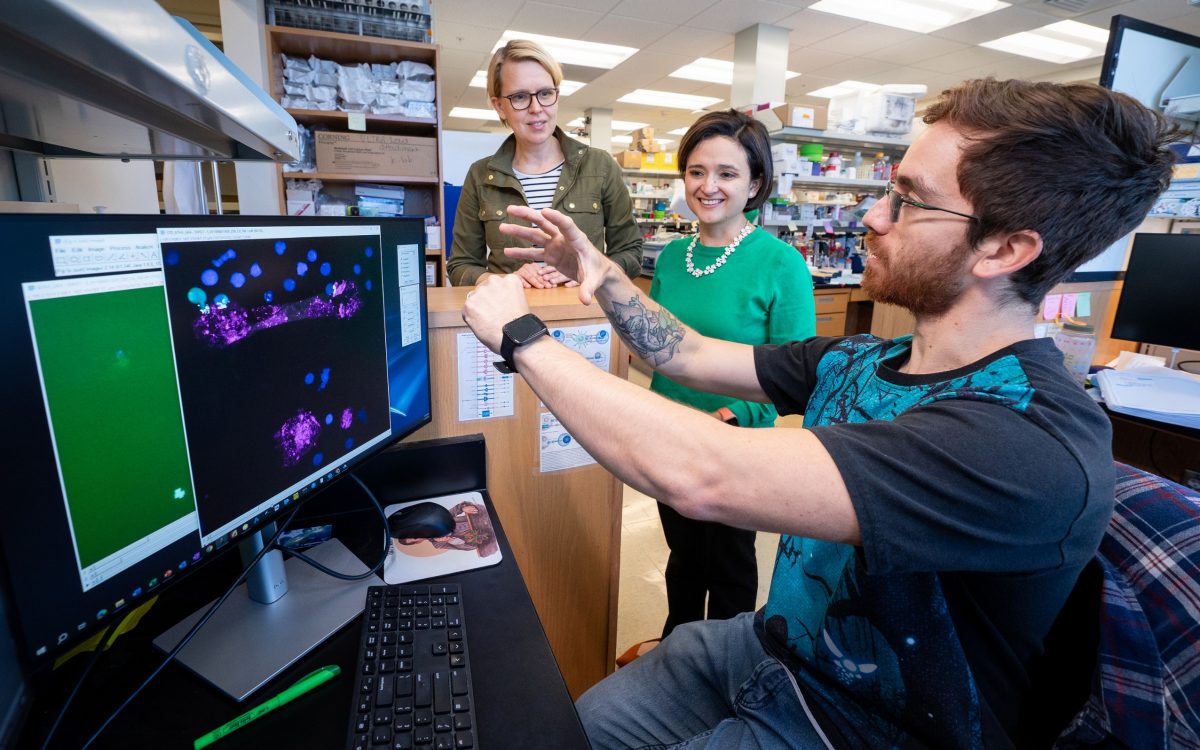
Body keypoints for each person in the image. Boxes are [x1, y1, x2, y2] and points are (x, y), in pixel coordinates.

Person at [462, 77, 1180, 748]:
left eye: (907, 199)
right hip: (773, 650)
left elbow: (701, 475)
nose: (871, 215)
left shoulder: (1023, 437)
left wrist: (523, 338)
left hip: (855, 725)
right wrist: (602, 271)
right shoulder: (861, 358)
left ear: (1005, 248)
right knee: (570, 726)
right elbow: (687, 353)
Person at [648, 110, 814, 641]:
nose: (708, 186)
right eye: (696, 172)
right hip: (667, 435)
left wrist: (734, 413)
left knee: (729, 570)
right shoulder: (673, 257)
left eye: (726, 173)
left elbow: (794, 371)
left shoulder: (780, 263)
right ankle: (676, 652)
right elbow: (652, 347)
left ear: (755, 184)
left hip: (734, 445)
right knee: (682, 557)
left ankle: (726, 667)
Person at [446, 39, 642, 288]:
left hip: (584, 317)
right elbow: (460, 265)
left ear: (557, 96)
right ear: (499, 106)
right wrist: (505, 280)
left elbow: (631, 253)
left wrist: (590, 269)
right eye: (519, 97)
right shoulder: (480, 175)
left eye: (545, 93)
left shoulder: (599, 166)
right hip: (509, 318)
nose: (536, 108)